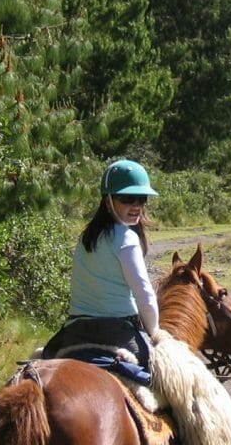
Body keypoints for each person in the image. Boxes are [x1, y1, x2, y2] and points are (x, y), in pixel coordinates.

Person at [42, 159, 160, 383]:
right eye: (127, 199)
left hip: (75, 329)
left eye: (141, 199)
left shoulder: (87, 237)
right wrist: (155, 332)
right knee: (173, 384)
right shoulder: (127, 239)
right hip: (119, 331)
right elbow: (144, 293)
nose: (136, 206)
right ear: (108, 201)